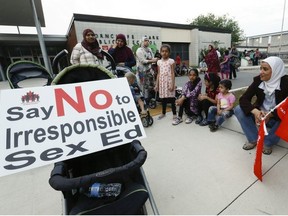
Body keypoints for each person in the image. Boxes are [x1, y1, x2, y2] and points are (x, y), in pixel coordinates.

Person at [234, 56, 288, 155]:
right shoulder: (258, 80)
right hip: (260, 115)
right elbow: (243, 99)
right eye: (261, 68)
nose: (261, 72)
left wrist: (270, 115)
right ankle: (253, 139)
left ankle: (268, 142)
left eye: (265, 69)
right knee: (238, 109)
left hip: (277, 117)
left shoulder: (285, 83)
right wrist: (256, 112)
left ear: (276, 71)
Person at [154, 44, 176, 121]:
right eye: (162, 51)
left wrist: (172, 84)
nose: (164, 53)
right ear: (160, 52)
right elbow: (158, 73)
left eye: (166, 51)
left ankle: (174, 114)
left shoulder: (171, 61)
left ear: (169, 52)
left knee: (172, 99)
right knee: (163, 99)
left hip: (169, 81)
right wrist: (157, 84)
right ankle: (163, 113)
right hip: (162, 82)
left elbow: (173, 73)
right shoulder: (159, 62)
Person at [136, 36, 158, 104]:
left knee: (150, 86)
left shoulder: (149, 49)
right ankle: (143, 101)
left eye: (148, 40)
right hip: (142, 72)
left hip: (149, 70)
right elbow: (143, 61)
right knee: (142, 86)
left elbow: (152, 58)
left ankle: (150, 99)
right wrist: (152, 60)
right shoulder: (139, 50)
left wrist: (154, 60)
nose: (147, 42)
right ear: (142, 41)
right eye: (145, 40)